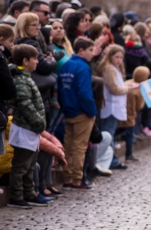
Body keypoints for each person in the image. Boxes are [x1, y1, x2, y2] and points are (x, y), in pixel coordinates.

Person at [7, 44, 49, 208]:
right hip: (25, 127)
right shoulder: (21, 80)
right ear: (25, 61)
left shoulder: (26, 77)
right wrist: (38, 121)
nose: (38, 62)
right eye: (35, 59)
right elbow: (25, 104)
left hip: (31, 129)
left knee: (30, 165)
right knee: (21, 165)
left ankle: (29, 192)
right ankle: (17, 196)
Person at [57, 37, 98, 190]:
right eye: (90, 50)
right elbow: (85, 93)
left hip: (68, 110)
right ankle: (77, 179)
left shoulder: (66, 65)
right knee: (80, 147)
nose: (92, 54)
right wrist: (92, 112)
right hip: (82, 112)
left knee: (68, 145)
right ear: (81, 50)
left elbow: (60, 89)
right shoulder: (83, 67)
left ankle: (67, 178)